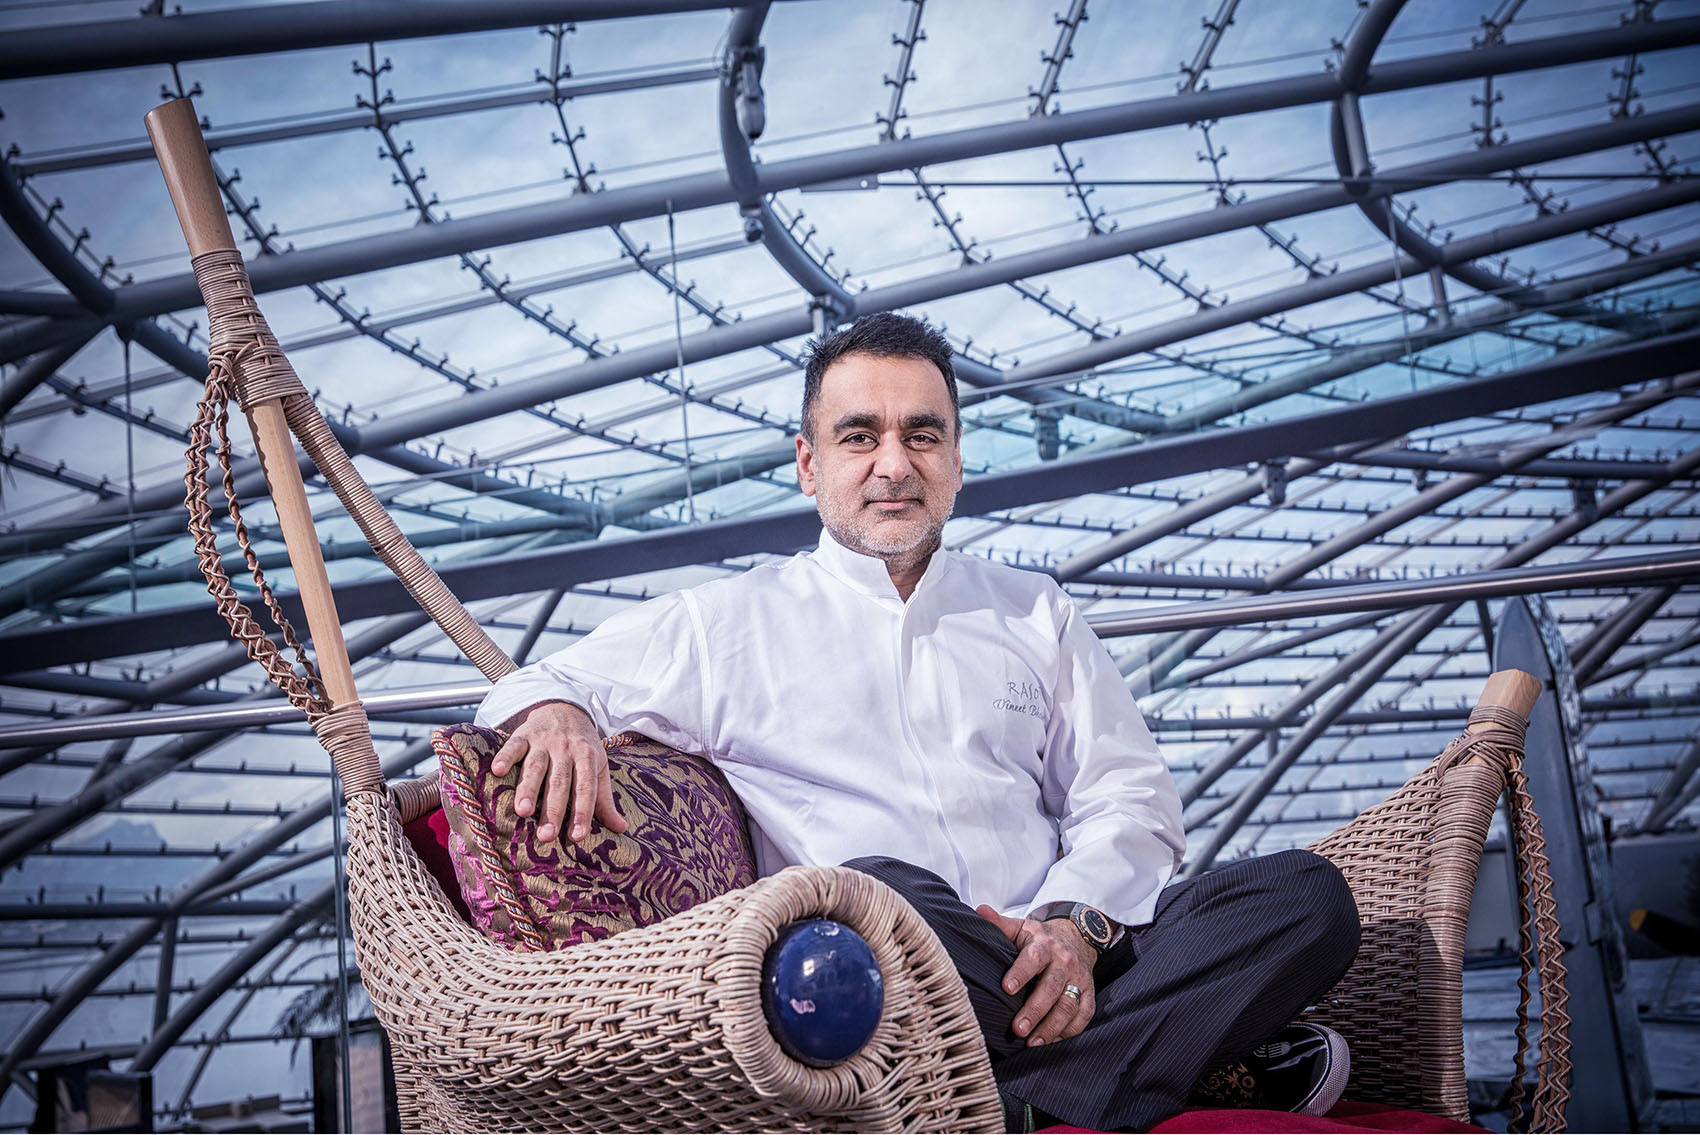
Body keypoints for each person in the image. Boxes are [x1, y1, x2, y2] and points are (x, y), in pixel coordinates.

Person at [475, 312, 1361, 1131]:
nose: (893, 464)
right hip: (891, 978)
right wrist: (558, 714)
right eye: (859, 436)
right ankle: (1165, 1062)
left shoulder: (1032, 611)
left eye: (922, 435)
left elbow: (1126, 795)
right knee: (878, 890)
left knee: (1305, 896)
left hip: (1068, 955)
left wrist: (1072, 928)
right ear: (809, 464)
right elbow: (542, 681)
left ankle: (1028, 1101)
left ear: (957, 460)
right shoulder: (725, 625)